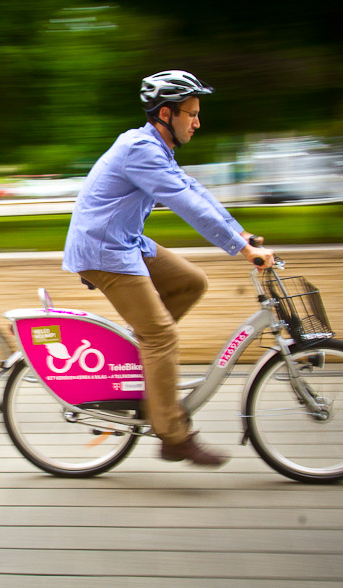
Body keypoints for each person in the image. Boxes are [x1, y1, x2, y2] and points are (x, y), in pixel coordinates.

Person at [62, 70, 274, 467]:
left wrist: (238, 232)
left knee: (191, 282)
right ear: (166, 113)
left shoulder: (157, 148)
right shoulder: (141, 150)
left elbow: (196, 190)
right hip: (103, 251)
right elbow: (186, 205)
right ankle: (173, 435)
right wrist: (240, 251)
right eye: (191, 114)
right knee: (161, 337)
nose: (197, 122)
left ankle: (135, 359)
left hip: (125, 241)